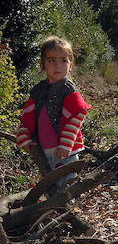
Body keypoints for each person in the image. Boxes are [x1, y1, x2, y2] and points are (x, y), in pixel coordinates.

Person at [16, 36, 92, 187]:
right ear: (42, 65)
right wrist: (23, 137)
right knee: (49, 186)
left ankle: (67, 208)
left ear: (70, 65)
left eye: (63, 60)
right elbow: (27, 117)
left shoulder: (68, 89)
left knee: (65, 186)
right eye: (51, 60)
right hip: (44, 153)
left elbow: (77, 114)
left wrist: (65, 144)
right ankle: (52, 209)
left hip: (65, 152)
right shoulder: (37, 90)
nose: (58, 65)